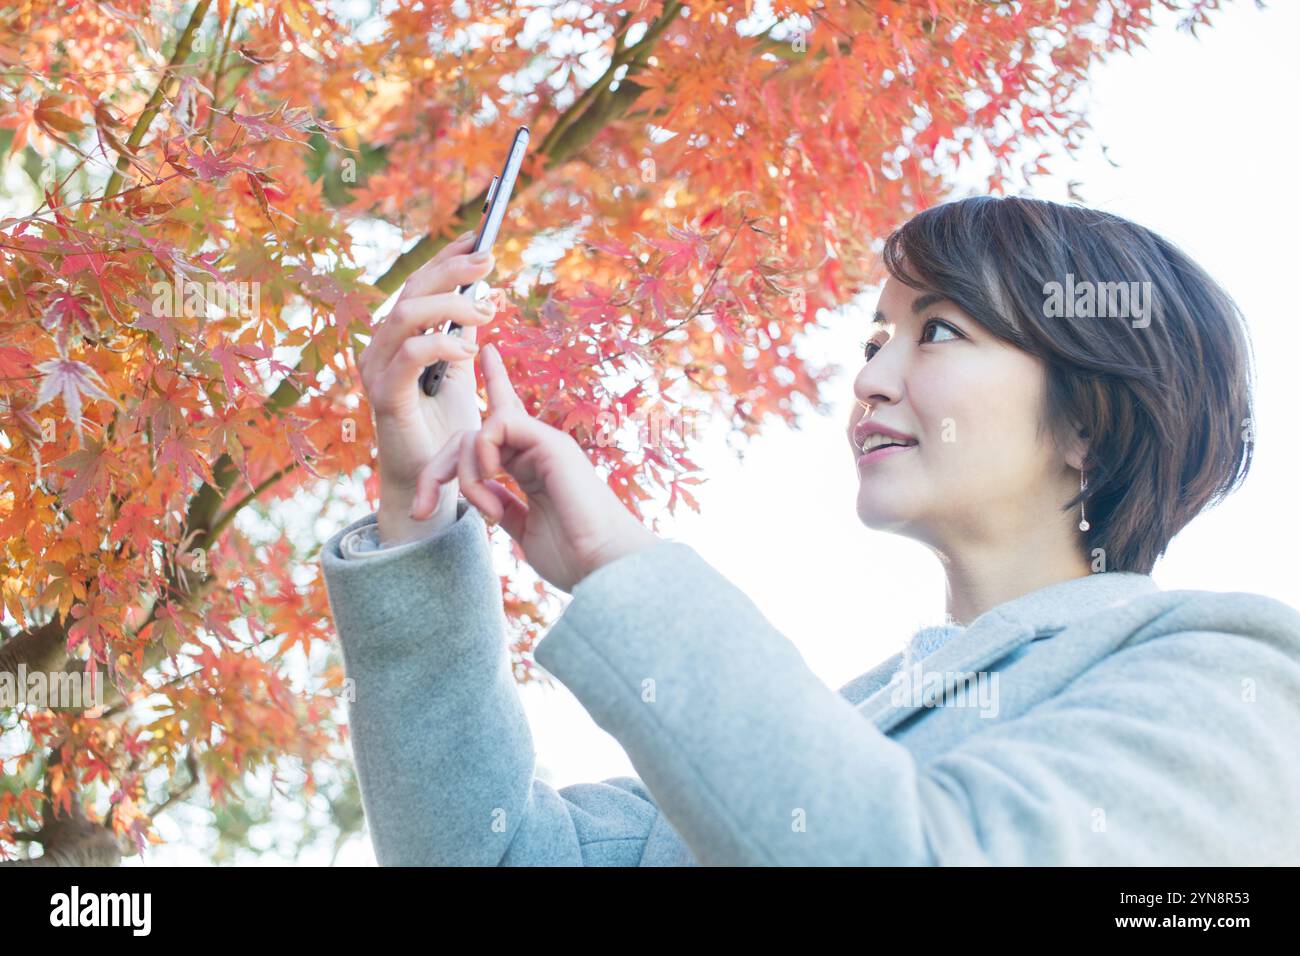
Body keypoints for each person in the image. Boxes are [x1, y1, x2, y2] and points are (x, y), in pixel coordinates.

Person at [318, 197, 1300, 865]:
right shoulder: (833, 728)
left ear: (1089, 420)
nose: (868, 377)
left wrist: (623, 563)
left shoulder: (1225, 672)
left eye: (938, 330)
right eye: (875, 337)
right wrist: (421, 504)